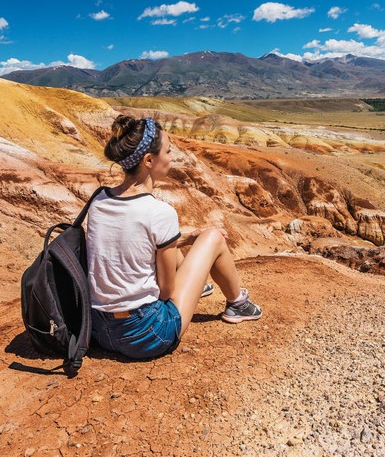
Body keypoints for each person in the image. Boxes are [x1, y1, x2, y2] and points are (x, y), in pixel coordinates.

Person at [87, 115, 262, 359]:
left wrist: (188, 237)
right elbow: (166, 292)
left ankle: (200, 288)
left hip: (100, 330)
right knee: (213, 236)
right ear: (149, 160)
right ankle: (238, 304)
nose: (172, 157)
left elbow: (135, 240)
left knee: (170, 240)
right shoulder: (159, 212)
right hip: (147, 334)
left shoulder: (99, 200)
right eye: (168, 152)